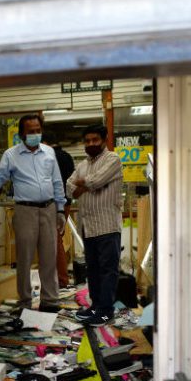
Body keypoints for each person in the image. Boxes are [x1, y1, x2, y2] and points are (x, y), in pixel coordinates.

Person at [0, 114, 66, 312]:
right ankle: (24, 301)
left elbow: (57, 182)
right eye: (30, 131)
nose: (35, 134)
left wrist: (60, 210)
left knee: (49, 257)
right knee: (24, 258)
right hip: (25, 210)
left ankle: (50, 300)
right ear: (22, 134)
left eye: (37, 130)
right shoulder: (11, 155)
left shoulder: (49, 152)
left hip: (49, 209)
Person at [66, 124, 123, 326]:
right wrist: (84, 184)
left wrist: (84, 184)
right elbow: (69, 188)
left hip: (107, 225)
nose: (91, 144)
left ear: (104, 139)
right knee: (93, 270)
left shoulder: (113, 159)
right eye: (87, 141)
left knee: (108, 270)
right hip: (88, 226)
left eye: (95, 140)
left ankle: (106, 312)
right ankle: (96, 306)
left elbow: (96, 181)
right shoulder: (82, 164)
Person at [43, 129, 75, 288]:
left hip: (53, 203)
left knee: (53, 241)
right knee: (57, 239)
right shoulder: (67, 157)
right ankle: (59, 278)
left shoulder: (47, 156)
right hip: (65, 203)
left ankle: (61, 280)